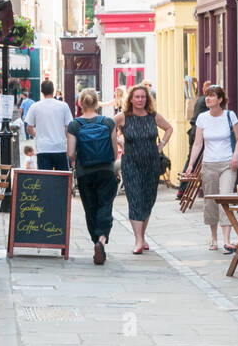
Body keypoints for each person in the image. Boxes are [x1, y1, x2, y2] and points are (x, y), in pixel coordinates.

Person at [184, 84, 238, 253]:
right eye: (206, 95)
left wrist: (235, 155)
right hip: (208, 165)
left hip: (227, 164)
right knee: (210, 202)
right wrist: (191, 164)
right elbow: (198, 143)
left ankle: (226, 241)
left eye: (212, 95)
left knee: (225, 198)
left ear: (220, 99)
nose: (207, 98)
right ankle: (214, 237)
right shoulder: (202, 118)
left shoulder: (230, 116)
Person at [115, 84, 174, 254]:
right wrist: (119, 142)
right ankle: (138, 240)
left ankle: (142, 236)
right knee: (135, 199)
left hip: (151, 163)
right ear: (131, 100)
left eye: (143, 97)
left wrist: (161, 145)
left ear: (147, 99)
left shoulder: (153, 116)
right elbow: (107, 126)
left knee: (148, 200)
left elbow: (169, 128)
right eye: (137, 97)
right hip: (131, 163)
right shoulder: (124, 117)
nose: (140, 100)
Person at [67, 88, 118, 265]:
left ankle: (95, 241)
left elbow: (70, 154)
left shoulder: (74, 125)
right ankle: (101, 240)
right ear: (97, 103)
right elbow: (114, 151)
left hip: (85, 173)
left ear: (80, 103)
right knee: (105, 206)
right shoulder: (108, 122)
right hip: (106, 171)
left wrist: (83, 156)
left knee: (90, 209)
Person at [24, 79, 74, 171]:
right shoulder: (63, 106)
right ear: (53, 90)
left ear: (41, 91)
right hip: (59, 147)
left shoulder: (35, 106)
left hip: (43, 148)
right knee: (62, 177)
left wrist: (37, 134)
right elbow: (68, 127)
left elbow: (29, 128)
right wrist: (62, 136)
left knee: (45, 177)